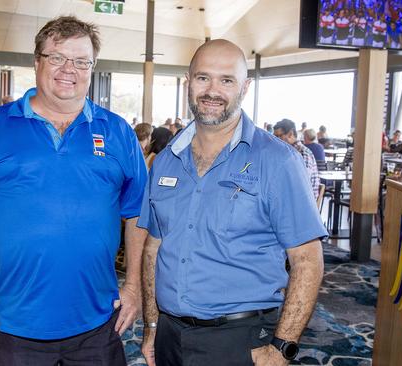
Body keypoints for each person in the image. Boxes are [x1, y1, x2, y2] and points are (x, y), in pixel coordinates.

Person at [0, 16, 147, 365]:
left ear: (92, 68)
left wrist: (134, 287)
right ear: (37, 62)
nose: (69, 69)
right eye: (57, 57)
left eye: (81, 61)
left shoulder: (118, 132)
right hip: (16, 322)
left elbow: (138, 213)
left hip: (98, 319)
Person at [139, 39, 326, 366]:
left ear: (245, 87)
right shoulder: (166, 161)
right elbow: (154, 249)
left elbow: (308, 260)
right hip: (170, 335)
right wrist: (152, 326)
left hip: (240, 340)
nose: (213, 90)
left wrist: (282, 349)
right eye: (203, 78)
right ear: (188, 82)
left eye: (226, 80)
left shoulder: (278, 161)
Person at [274, 119, 320, 199]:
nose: (276, 139)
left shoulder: (303, 153)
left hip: (303, 203)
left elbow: (301, 182)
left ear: (290, 134)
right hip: (292, 197)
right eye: (275, 136)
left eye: (279, 136)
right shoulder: (286, 151)